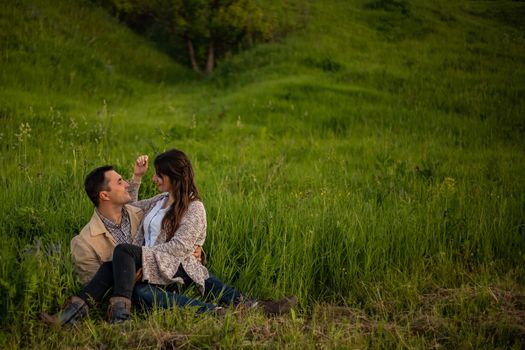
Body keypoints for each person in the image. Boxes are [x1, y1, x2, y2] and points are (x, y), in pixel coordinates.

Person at [44, 149, 296, 326]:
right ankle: (75, 316)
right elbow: (132, 202)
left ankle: (255, 307)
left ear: (173, 178)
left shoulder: (194, 208)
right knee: (125, 273)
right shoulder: (158, 201)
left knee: (125, 252)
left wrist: (144, 260)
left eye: (158, 175)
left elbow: (180, 247)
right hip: (145, 271)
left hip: (172, 264)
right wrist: (137, 178)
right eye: (153, 174)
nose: (154, 179)